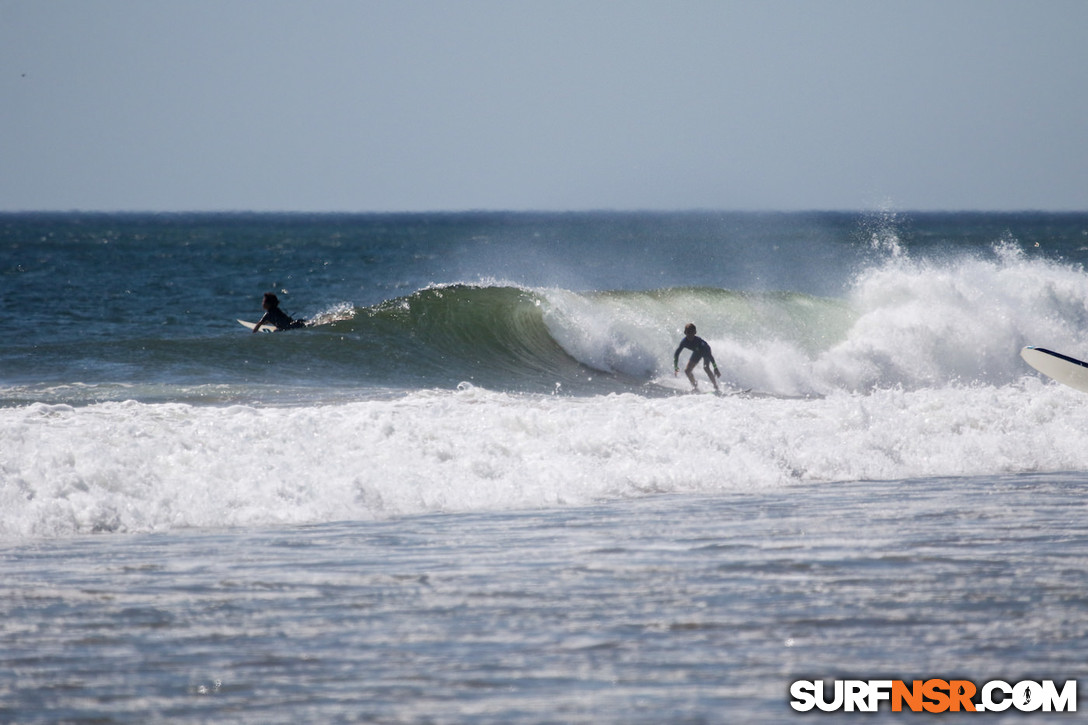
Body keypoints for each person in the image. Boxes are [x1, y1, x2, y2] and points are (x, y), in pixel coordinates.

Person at [673, 322, 721, 392]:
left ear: (695, 332)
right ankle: (695, 386)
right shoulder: (684, 342)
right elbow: (677, 353)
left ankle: (715, 386)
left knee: (706, 368)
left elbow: (710, 356)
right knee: (687, 371)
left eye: (692, 333)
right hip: (697, 352)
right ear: (685, 332)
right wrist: (676, 366)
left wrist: (715, 368)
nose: (690, 335)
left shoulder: (700, 343)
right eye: (688, 333)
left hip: (706, 351)